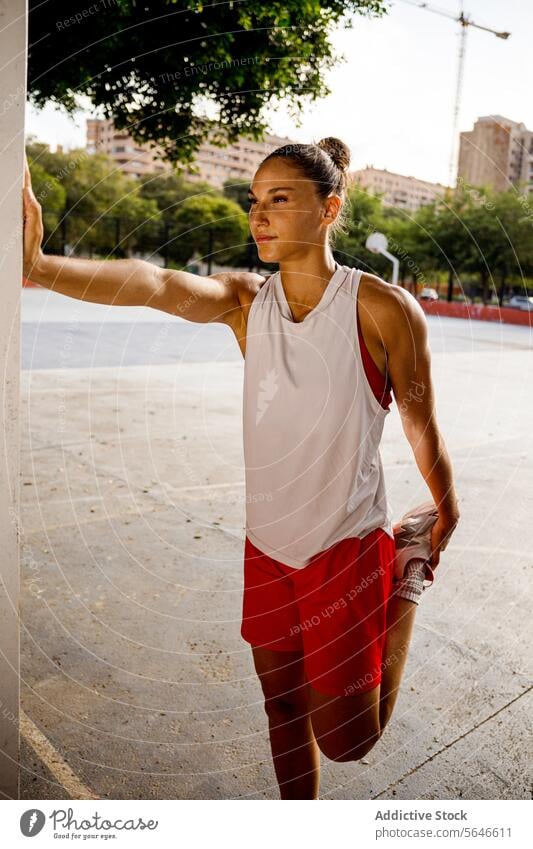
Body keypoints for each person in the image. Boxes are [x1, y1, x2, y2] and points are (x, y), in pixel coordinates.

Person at [22, 139, 460, 801]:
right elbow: (156, 283)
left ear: (328, 208)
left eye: (278, 200)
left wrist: (444, 504)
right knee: (281, 712)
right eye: (253, 202)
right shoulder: (243, 301)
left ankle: (404, 580)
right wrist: (38, 265)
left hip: (343, 550)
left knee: (350, 742)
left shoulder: (382, 309)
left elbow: (418, 420)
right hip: (268, 551)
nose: (258, 216)